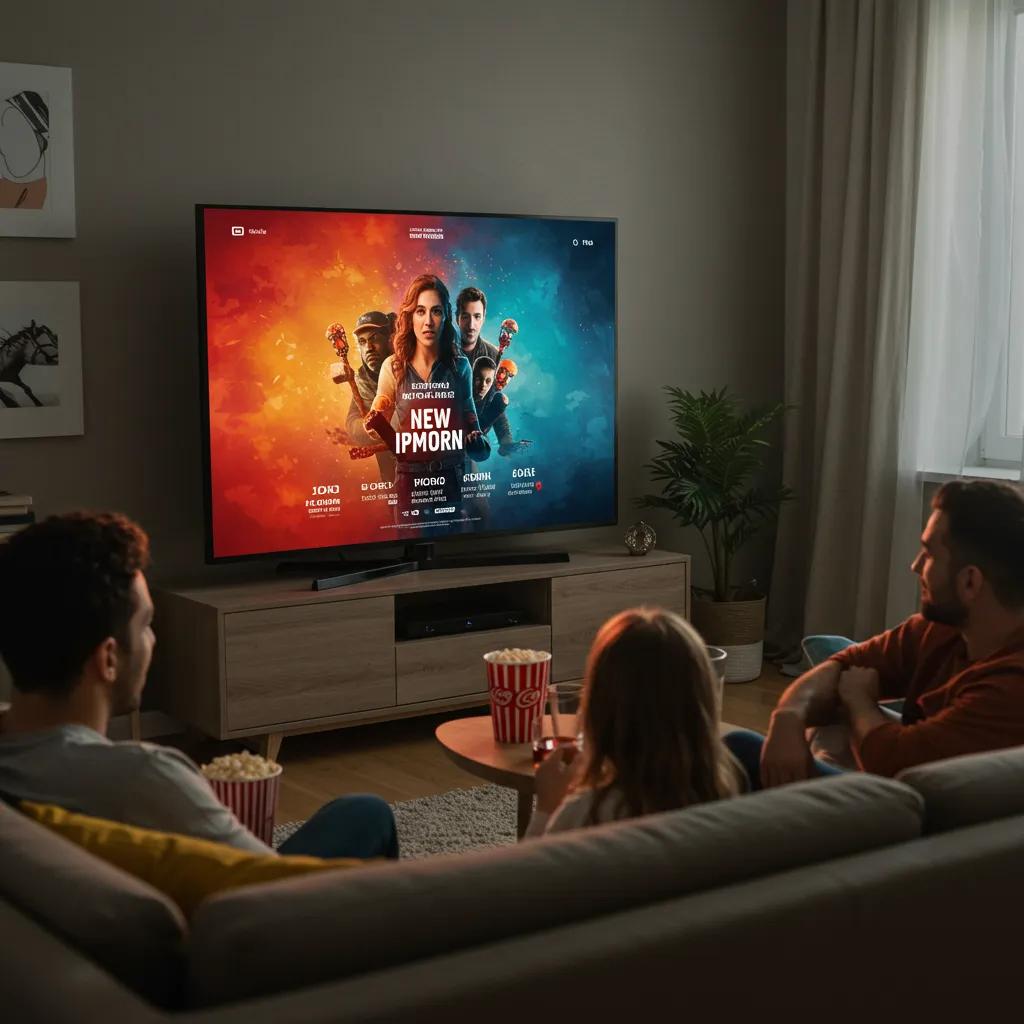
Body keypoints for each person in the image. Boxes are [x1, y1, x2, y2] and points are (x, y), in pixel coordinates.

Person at [0, 512, 399, 859]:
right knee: (366, 813)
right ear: (107, 659)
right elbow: (266, 881)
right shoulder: (145, 779)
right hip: (252, 924)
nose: (153, 641)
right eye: (146, 626)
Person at [726, 480, 1024, 788]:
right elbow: (842, 665)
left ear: (970, 582)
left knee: (738, 750)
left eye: (929, 554)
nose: (915, 566)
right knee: (823, 727)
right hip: (904, 787)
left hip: (920, 813)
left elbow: (898, 765)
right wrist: (787, 716)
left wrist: (859, 702)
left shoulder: (1010, 686)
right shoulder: (941, 630)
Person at [527, 607, 744, 836]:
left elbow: (532, 869)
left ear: (599, 709)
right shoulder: (730, 786)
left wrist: (546, 808)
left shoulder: (585, 813)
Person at [369, 274, 490, 523]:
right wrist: (372, 421)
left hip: (452, 480)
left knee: (455, 554)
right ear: (409, 316)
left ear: (446, 316)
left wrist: (478, 442)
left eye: (435, 311)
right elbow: (377, 420)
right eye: (420, 311)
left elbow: (473, 428)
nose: (428, 322)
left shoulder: (460, 368)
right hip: (409, 484)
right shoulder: (393, 367)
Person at [342, 310, 397, 481]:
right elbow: (352, 424)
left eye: (374, 339)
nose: (369, 348)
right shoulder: (362, 380)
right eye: (362, 342)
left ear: (390, 339)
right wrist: (368, 427)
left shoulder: (409, 368)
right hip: (391, 472)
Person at [455, 286, 499, 367]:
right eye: (465, 317)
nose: (471, 325)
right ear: (457, 318)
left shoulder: (494, 356)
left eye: (477, 317)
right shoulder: (438, 352)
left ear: (483, 318)